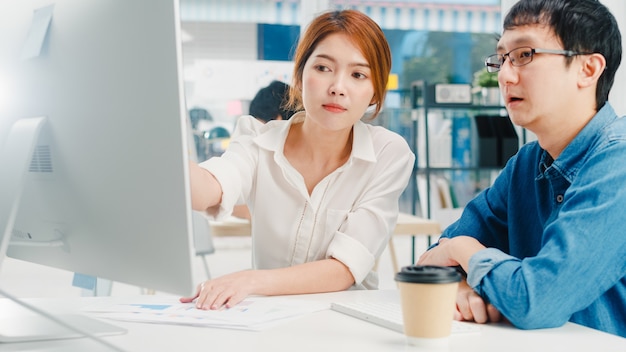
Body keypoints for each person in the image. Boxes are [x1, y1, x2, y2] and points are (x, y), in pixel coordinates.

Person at [417, 0, 625, 338]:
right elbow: (432, 258)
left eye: (524, 54)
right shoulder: (527, 163)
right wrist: (460, 287)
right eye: (501, 58)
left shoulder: (618, 162)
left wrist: (466, 252)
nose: (504, 75)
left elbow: (539, 299)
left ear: (588, 70)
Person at [181, 9, 414, 310]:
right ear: (300, 77)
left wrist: (250, 281)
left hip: (349, 322)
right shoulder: (258, 140)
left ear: (373, 93)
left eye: (358, 74)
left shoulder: (388, 154)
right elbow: (210, 187)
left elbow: (344, 268)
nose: (337, 87)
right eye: (323, 67)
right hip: (267, 320)